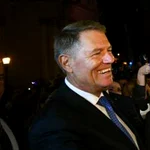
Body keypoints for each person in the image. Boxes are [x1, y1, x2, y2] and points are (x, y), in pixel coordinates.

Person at [29, 20, 143, 150]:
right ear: (67, 63)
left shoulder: (113, 101)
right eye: (96, 53)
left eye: (109, 50)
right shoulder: (53, 125)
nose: (110, 59)